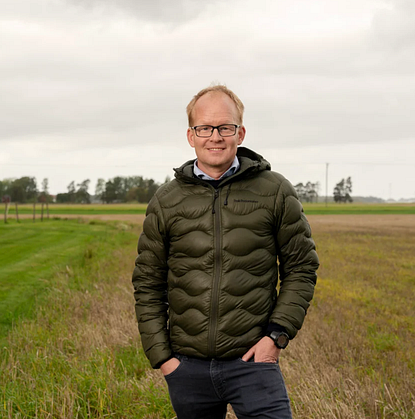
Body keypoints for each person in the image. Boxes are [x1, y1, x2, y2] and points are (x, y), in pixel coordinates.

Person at [132, 84, 319, 419]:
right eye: (205, 127)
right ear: (191, 135)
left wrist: (275, 337)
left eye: (225, 127)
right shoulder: (166, 200)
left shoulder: (275, 191)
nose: (215, 137)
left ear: (240, 133)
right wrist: (164, 359)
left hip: (253, 362)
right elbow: (147, 282)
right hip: (186, 369)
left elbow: (302, 268)